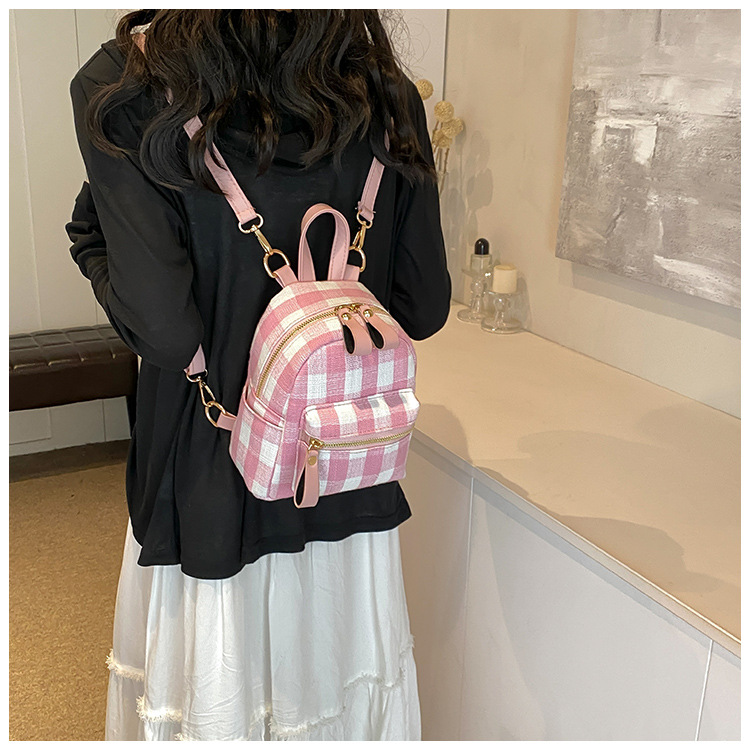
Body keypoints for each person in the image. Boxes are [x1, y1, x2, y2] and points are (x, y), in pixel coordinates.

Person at [66, 9, 451, 741]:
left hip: (212, 473)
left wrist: (92, 247)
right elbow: (421, 306)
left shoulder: (126, 85)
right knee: (339, 691)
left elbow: (166, 332)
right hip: (341, 467)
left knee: (219, 702)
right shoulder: (384, 90)